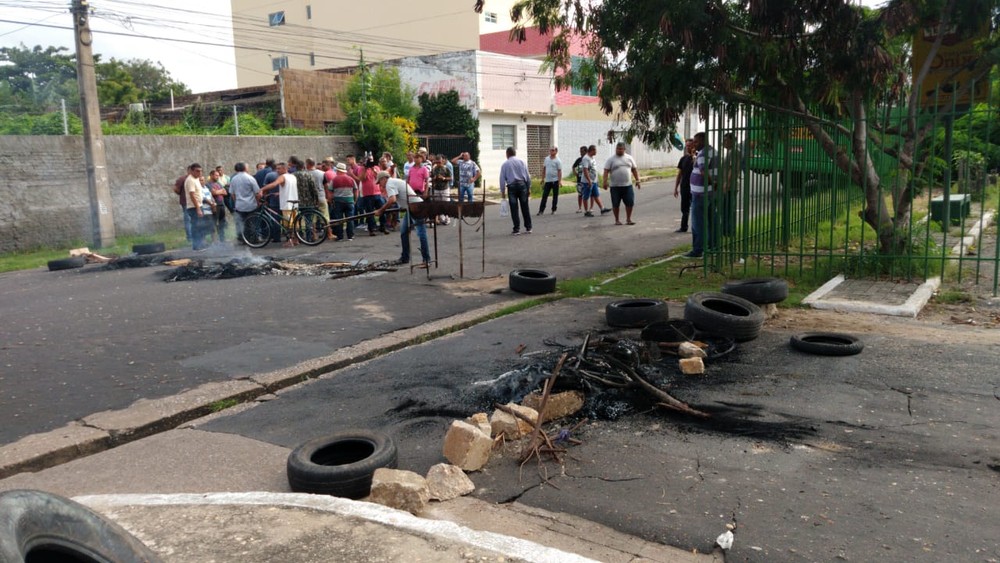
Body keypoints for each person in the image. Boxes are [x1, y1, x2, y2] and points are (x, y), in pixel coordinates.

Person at [374, 171, 431, 265]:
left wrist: (381, 210)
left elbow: (392, 199)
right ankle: (405, 257)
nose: (380, 185)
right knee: (404, 232)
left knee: (421, 234)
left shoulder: (389, 184)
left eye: (379, 182)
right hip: (413, 207)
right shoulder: (394, 181)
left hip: (417, 208)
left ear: (383, 179)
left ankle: (426, 260)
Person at [685, 132, 717, 258]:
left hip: (700, 193)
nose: (694, 144)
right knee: (710, 221)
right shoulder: (713, 151)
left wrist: (712, 183)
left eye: (696, 141)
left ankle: (698, 250)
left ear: (703, 141)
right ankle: (712, 247)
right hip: (709, 193)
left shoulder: (703, 154)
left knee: (698, 223)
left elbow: (704, 172)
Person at [260, 162, 299, 247]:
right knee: (294, 222)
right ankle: (296, 240)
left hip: (286, 203)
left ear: (285, 169)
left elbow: (274, 184)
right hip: (294, 200)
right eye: (277, 168)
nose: (277, 170)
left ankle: (290, 241)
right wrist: (279, 193)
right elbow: (289, 188)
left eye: (279, 168)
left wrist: (262, 189)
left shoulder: (283, 177)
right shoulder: (292, 176)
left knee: (288, 224)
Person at [603, 142, 642, 225]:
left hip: (627, 185)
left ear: (624, 149)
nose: (619, 150)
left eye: (621, 149)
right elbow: (606, 171)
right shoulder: (611, 159)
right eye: (618, 149)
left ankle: (628, 219)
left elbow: (634, 169)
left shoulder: (629, 158)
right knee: (616, 203)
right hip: (615, 186)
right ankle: (617, 220)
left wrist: (638, 180)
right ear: (616, 149)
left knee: (630, 202)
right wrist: (605, 182)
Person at [499, 147, 532, 235]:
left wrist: (502, 192)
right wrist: (529, 188)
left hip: (512, 187)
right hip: (522, 185)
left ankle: (516, 229)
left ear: (507, 154)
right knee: (525, 207)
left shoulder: (505, 164)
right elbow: (527, 176)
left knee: (514, 208)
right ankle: (528, 227)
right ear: (515, 153)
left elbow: (502, 179)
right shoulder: (522, 162)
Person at [229, 162, 259, 242]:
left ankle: (245, 239)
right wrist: (258, 202)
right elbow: (257, 192)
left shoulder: (233, 179)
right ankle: (254, 239)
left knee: (243, 223)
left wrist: (236, 201)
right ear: (245, 168)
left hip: (240, 205)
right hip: (251, 205)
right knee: (253, 223)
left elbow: (232, 193)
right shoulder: (250, 178)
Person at [306, 158, 334, 240]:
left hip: (310, 198)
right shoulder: (322, 173)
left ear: (307, 164)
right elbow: (326, 186)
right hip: (321, 196)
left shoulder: (305, 174)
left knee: (312, 218)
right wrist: (328, 197)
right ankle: (329, 233)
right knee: (325, 216)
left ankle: (314, 235)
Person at [720, 132, 742, 237]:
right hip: (727, 185)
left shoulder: (734, 152)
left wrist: (726, 184)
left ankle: (729, 231)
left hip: (730, 186)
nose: (724, 142)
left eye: (726, 140)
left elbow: (732, 169)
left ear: (732, 141)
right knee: (725, 208)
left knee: (729, 209)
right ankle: (725, 230)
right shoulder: (729, 152)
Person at [329, 162, 357, 241]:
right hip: (349, 201)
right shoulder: (351, 179)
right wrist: (354, 200)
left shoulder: (334, 180)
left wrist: (331, 201)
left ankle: (340, 236)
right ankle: (350, 236)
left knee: (339, 219)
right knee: (350, 219)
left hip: (338, 202)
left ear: (338, 171)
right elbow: (356, 190)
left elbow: (330, 192)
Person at [359, 158, 388, 235]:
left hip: (377, 193)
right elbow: (362, 178)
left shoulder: (376, 168)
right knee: (369, 212)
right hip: (367, 194)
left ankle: (383, 226)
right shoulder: (361, 169)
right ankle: (371, 229)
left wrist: (373, 169)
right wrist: (365, 169)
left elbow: (379, 177)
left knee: (382, 210)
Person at [183, 163, 207, 251]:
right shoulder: (190, 180)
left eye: (200, 171)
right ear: (192, 171)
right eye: (197, 171)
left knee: (200, 226)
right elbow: (192, 195)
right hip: (194, 207)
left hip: (199, 206)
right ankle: (196, 246)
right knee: (196, 226)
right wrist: (198, 208)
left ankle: (200, 244)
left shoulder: (196, 179)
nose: (199, 173)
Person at [580, 145, 609, 217]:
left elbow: (594, 169)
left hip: (594, 181)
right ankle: (586, 211)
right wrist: (589, 180)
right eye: (595, 150)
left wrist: (596, 180)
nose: (596, 152)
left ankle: (602, 208)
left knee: (596, 195)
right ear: (592, 150)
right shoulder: (586, 158)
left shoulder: (592, 158)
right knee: (586, 196)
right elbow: (585, 170)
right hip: (587, 182)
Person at [673, 138, 695, 233]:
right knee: (684, 208)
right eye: (687, 146)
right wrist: (676, 188)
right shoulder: (683, 158)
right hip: (685, 187)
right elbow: (679, 174)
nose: (688, 148)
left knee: (696, 207)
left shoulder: (698, 157)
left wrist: (694, 155)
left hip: (695, 187)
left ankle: (696, 227)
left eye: (690, 146)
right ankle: (683, 226)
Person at [206, 168, 229, 242]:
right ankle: (214, 240)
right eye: (216, 175)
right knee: (214, 223)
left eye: (218, 175)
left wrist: (218, 191)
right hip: (215, 206)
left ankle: (222, 238)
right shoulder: (208, 184)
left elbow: (225, 193)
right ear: (211, 175)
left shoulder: (219, 183)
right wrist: (219, 191)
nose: (217, 177)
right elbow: (213, 193)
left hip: (222, 204)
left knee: (222, 222)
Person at [538, 147, 562, 215]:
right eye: (550, 150)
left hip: (555, 180)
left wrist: (560, 181)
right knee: (544, 195)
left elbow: (559, 171)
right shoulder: (546, 159)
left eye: (553, 150)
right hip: (548, 181)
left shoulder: (558, 161)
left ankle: (554, 209)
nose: (551, 151)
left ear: (556, 151)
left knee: (555, 196)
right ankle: (541, 210)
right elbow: (544, 169)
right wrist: (542, 179)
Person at [430, 154, 452, 225]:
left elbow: (451, 178)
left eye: (439, 162)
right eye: (437, 162)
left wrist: (444, 178)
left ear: (442, 161)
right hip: (436, 188)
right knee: (438, 204)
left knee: (445, 204)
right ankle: (441, 218)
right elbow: (431, 177)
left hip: (444, 188)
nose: (438, 164)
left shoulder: (446, 168)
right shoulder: (434, 169)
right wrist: (435, 178)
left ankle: (447, 218)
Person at [571, 146, 587, 213]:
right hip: (580, 179)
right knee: (580, 194)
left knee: (588, 194)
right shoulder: (579, 160)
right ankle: (580, 208)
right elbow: (573, 166)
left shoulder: (588, 159)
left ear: (586, 152)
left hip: (587, 179)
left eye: (582, 151)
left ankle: (589, 208)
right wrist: (575, 173)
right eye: (580, 152)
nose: (581, 153)